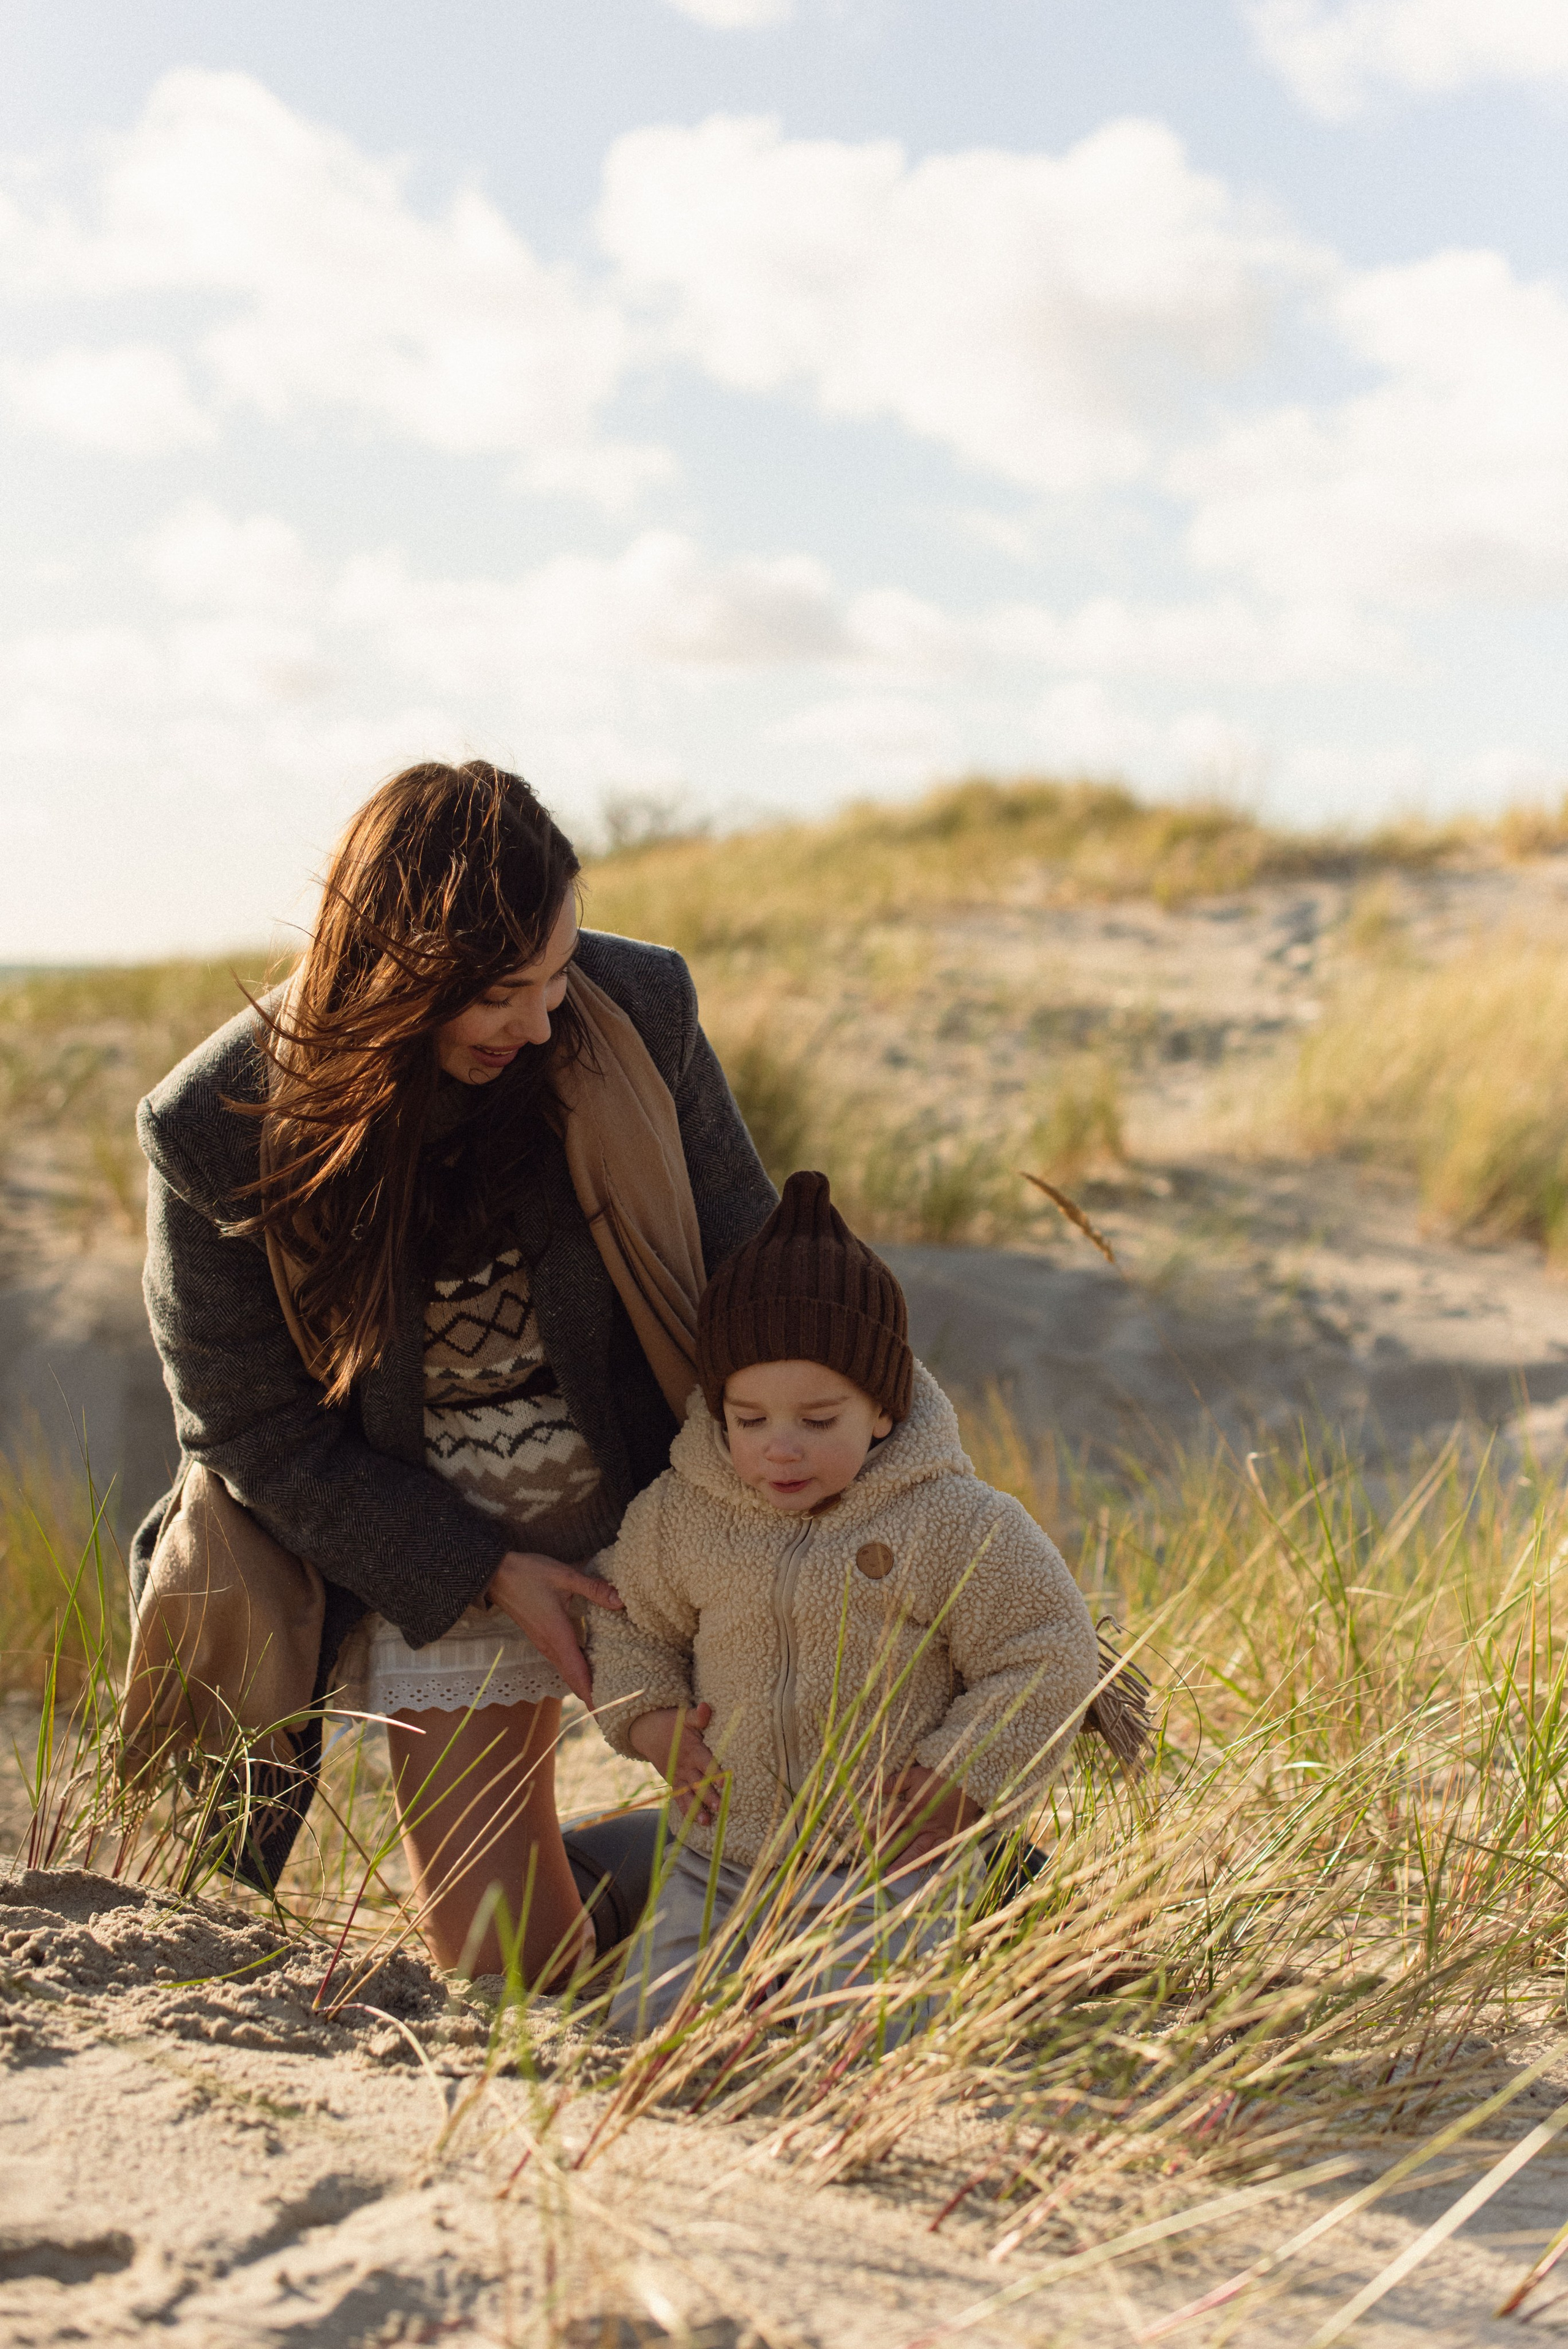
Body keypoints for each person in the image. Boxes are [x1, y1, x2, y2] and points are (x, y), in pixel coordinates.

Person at [130, 761, 775, 1985]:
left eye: (555, 976)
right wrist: (477, 1568)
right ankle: (618, 1873)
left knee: (802, 1810)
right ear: (394, 975)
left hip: (666, 1498)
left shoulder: (637, 1006)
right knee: (506, 1968)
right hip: (436, 1545)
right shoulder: (214, 1123)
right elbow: (247, 1427)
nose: (539, 1023)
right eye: (496, 994)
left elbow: (757, 1262)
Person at [587, 1171, 1100, 2038]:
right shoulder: (683, 1517)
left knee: (866, 2039)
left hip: (891, 1864)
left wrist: (960, 1779)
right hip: (723, 1862)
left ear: (884, 1412)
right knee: (651, 2029)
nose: (780, 1449)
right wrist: (651, 1723)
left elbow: (1048, 1649)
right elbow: (625, 1619)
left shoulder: (951, 1520)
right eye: (749, 1420)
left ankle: (996, 1898)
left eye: (819, 1421)